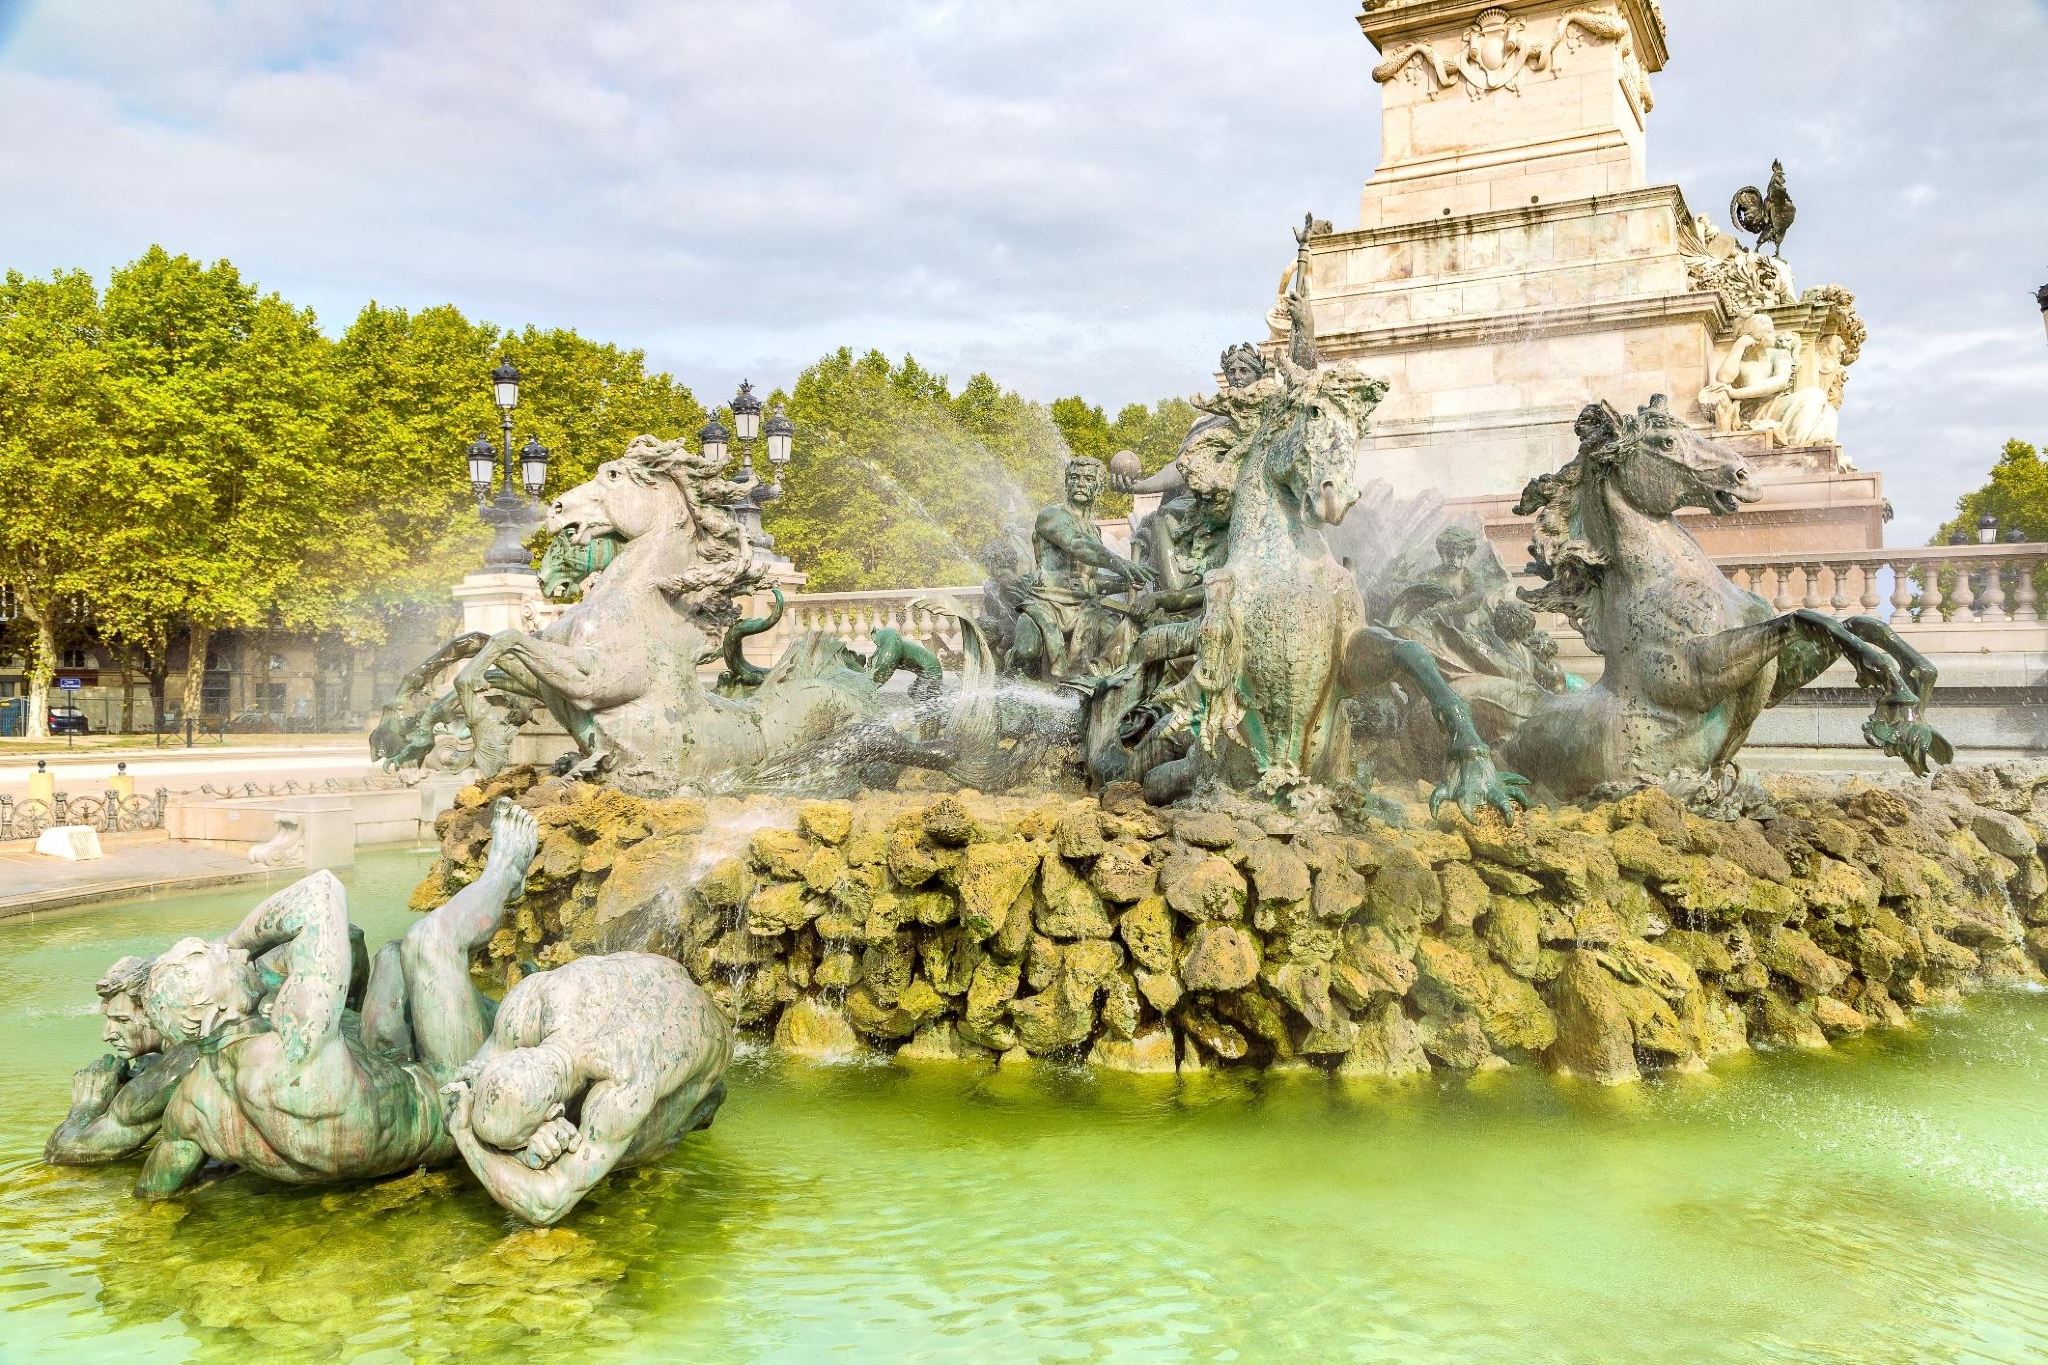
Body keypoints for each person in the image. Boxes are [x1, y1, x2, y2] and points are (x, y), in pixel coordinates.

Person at [133, 799, 538, 1198]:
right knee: (429, 941)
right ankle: (505, 874)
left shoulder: (194, 1103)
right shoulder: (294, 1045)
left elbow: (154, 1189)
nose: (239, 957)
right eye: (224, 960)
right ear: (217, 1013)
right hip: (447, 1105)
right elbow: (320, 892)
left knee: (392, 957)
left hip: (384, 1102)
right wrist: (235, 940)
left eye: (224, 950)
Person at [443, 953, 732, 1226]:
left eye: (519, 1142)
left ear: (554, 1112)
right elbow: (465, 1082)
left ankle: (704, 1101)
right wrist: (524, 1143)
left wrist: (465, 1136)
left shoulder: (624, 1083)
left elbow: (548, 1205)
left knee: (626, 1151)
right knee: (586, 1134)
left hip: (708, 1036)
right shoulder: (526, 1003)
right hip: (656, 972)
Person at [1009, 457, 1153, 682]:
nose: (1080, 483)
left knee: (1118, 638)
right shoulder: (1052, 515)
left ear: (1098, 487)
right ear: (1066, 482)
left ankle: (1094, 689)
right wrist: (1120, 564)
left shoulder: (1094, 531)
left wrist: (1126, 582)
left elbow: (1090, 581)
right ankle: (1013, 688)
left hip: (1085, 607)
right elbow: (1076, 545)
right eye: (1074, 477)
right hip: (1046, 603)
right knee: (1026, 651)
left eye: (1088, 479)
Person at [45, 956, 198, 1165]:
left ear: (159, 1011)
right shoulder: (183, 1050)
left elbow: (66, 1151)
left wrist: (88, 1106)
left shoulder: (174, 1071)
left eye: (122, 1020)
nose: (107, 1035)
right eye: (109, 1019)